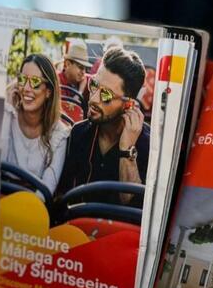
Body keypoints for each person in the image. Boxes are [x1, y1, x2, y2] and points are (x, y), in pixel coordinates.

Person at [57, 46, 149, 206]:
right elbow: (62, 196)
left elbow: (132, 204)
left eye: (106, 95)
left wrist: (127, 149)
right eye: (93, 85)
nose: (93, 98)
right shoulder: (78, 133)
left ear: (128, 104)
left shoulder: (147, 144)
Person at [2, 53, 69, 196]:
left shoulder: (59, 134)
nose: (26, 88)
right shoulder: (7, 114)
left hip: (33, 203)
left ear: (48, 92)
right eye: (22, 80)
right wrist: (7, 108)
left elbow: (46, 190)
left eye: (35, 82)